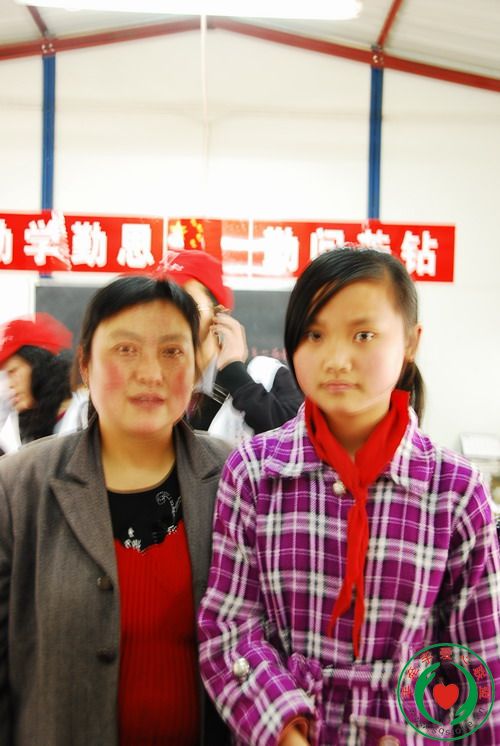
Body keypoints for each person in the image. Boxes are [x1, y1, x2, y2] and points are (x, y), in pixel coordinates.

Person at [197, 248, 500, 745]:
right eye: (315, 334)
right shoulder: (253, 472)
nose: (336, 359)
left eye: (363, 335)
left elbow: (478, 659)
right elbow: (230, 629)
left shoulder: (455, 490)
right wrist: (285, 730)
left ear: (410, 341)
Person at [0, 276, 230, 745]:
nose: (151, 373)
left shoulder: (235, 477)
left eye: (172, 351)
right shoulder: (20, 487)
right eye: (126, 350)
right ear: (85, 364)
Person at [158, 249, 303, 446]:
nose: (171, 315)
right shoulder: (152, 380)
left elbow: (298, 441)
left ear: (218, 313)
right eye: (161, 305)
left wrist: (235, 374)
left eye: (185, 303)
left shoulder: (264, 374)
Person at [0, 312, 87, 453]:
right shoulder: (14, 430)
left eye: (13, 372)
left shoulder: (86, 416)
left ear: (38, 366)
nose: (9, 384)